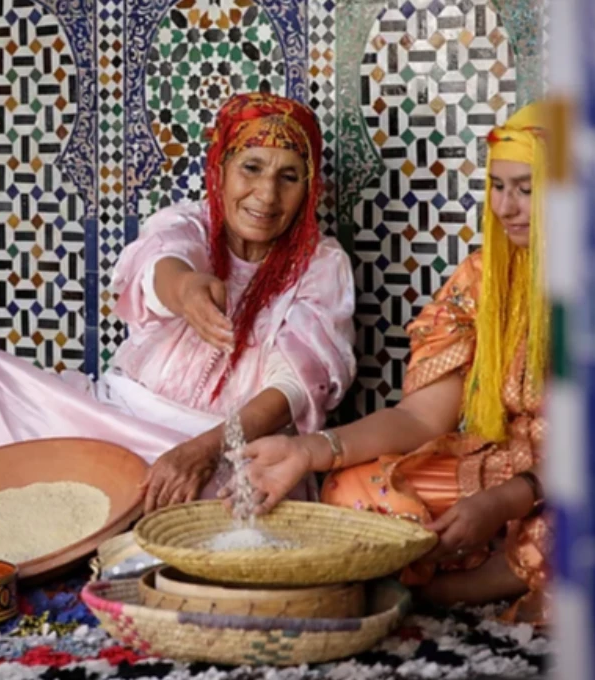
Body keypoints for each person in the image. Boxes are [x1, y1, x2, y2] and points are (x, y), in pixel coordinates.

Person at [0, 92, 357, 514]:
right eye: (251, 168)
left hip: (224, 450)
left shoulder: (321, 264)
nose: (267, 194)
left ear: (309, 188)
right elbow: (162, 262)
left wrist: (204, 451)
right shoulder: (188, 222)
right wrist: (186, 291)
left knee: (233, 500)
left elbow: (295, 388)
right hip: (116, 418)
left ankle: (114, 521)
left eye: (289, 177)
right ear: (219, 171)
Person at [228, 102, 549, 624]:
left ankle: (483, 579)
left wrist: (507, 503)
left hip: (588, 480)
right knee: (351, 490)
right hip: (506, 464)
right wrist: (310, 451)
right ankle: (500, 564)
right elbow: (422, 419)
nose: (505, 207)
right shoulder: (482, 279)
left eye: (527, 190)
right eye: (498, 186)